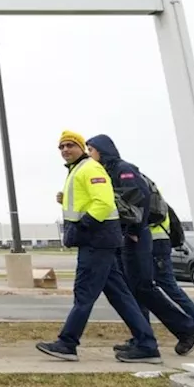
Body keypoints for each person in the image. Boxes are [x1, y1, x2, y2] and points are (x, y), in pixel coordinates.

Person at [37, 131, 161, 363]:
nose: (65, 150)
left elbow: (104, 202)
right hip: (97, 241)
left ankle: (67, 342)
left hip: (96, 240)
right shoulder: (77, 170)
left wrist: (85, 225)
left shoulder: (90, 168)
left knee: (84, 293)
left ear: (82, 147)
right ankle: (146, 344)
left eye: (70, 145)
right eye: (61, 147)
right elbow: (87, 200)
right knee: (120, 295)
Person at [86, 135, 194, 357]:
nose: (89, 155)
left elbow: (138, 199)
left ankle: (190, 328)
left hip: (139, 237)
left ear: (102, 151)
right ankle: (144, 338)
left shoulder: (123, 169)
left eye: (91, 150)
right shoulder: (108, 172)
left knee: (146, 287)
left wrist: (133, 231)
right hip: (128, 237)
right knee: (137, 290)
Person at [143, 197, 194, 328]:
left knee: (164, 287)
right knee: (151, 287)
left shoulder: (145, 197)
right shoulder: (157, 198)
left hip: (152, 243)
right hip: (160, 242)